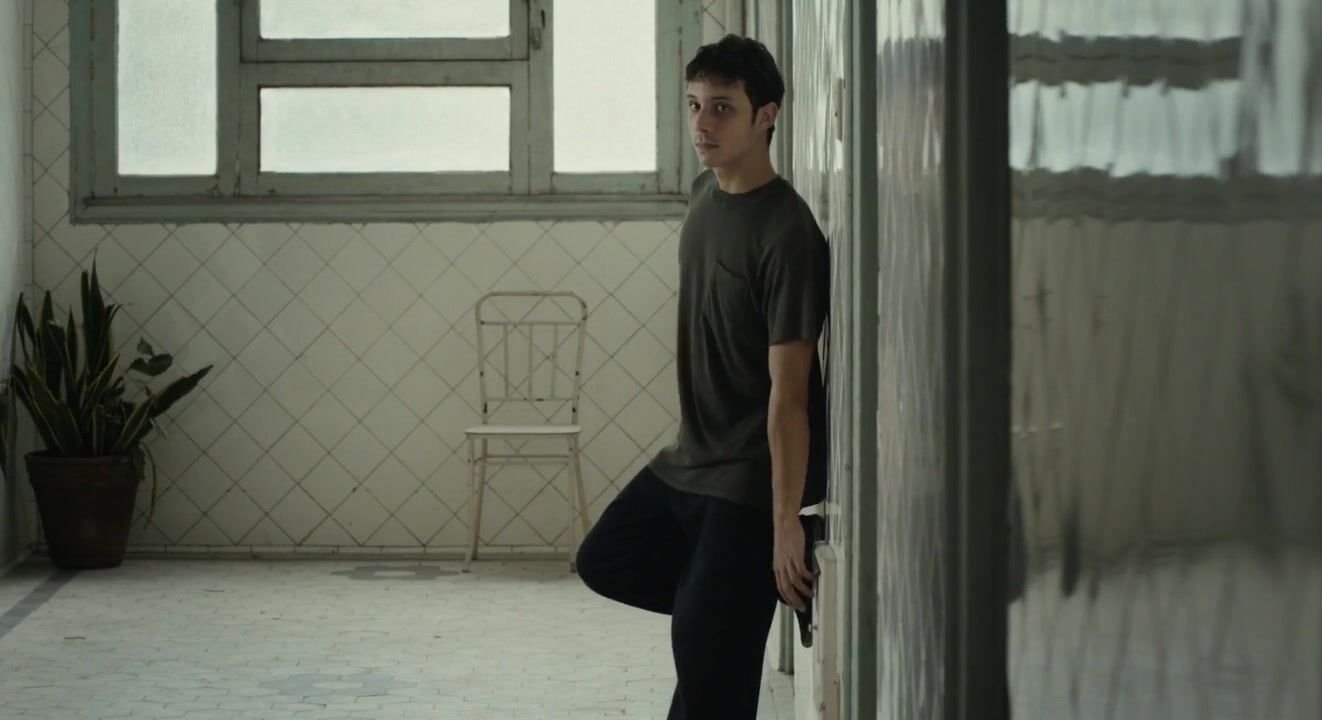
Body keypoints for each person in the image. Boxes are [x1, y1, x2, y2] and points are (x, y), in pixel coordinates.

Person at [575, 34, 830, 719]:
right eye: (693, 105)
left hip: (747, 480)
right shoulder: (703, 195)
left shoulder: (788, 234)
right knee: (605, 560)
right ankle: (734, 601)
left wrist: (785, 523)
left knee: (708, 669)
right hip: (690, 459)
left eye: (722, 108)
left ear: (766, 116)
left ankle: (734, 597)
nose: (701, 124)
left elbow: (790, 396)